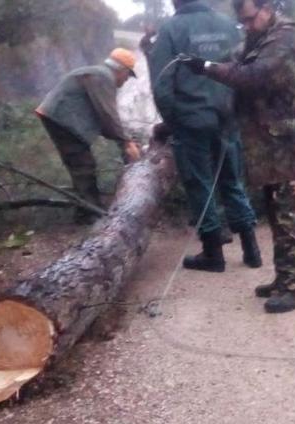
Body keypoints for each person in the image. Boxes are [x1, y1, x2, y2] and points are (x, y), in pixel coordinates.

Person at [184, 0, 295, 314]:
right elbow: (235, 66)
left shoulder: (287, 40)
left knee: (292, 218)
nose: (246, 26)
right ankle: (283, 280)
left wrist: (207, 68)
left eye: (250, 19)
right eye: (242, 23)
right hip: (275, 149)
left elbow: (253, 77)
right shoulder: (260, 39)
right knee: (278, 216)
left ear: (267, 8)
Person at [151, 0, 261, 273]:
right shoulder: (229, 25)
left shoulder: (170, 29)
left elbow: (162, 83)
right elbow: (247, 70)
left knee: (199, 183)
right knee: (232, 181)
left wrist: (172, 120)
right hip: (227, 118)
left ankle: (213, 253)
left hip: (191, 119)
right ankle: (251, 250)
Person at [35, 48, 142, 224]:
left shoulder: (98, 74)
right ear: (122, 70)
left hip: (60, 117)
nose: (125, 81)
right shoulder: (102, 77)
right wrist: (126, 142)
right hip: (62, 119)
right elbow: (107, 114)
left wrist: (122, 140)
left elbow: (105, 121)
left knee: (81, 164)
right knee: (83, 165)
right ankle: (90, 214)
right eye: (128, 76)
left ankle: (86, 210)